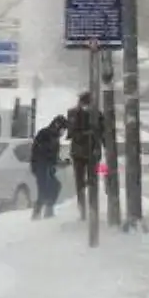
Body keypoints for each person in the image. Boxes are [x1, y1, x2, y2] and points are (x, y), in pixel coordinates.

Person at [65, 90, 103, 220]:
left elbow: (102, 133)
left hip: (92, 152)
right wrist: (87, 133)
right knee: (80, 182)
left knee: (92, 181)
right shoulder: (73, 113)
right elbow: (71, 133)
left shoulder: (97, 114)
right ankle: (82, 210)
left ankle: (93, 208)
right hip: (79, 152)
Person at [30, 115, 68, 220]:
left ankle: (47, 210)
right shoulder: (45, 134)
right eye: (63, 129)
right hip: (41, 166)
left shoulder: (55, 138)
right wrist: (46, 162)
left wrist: (62, 162)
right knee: (44, 189)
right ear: (57, 125)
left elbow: (54, 156)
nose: (63, 133)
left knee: (54, 186)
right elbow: (40, 151)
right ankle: (39, 213)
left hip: (47, 167)